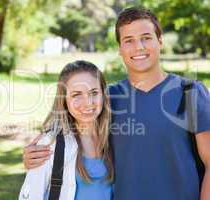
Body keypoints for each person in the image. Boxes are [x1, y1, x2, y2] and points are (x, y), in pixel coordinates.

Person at [22, 7, 210, 200]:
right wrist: (37, 155)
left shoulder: (190, 93)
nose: (139, 47)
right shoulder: (107, 99)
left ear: (160, 41)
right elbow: (69, 131)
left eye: (146, 37)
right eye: (129, 40)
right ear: (120, 49)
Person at [19, 60, 114, 200]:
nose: (88, 103)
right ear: (64, 99)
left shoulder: (113, 137)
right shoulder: (50, 143)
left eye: (94, 92)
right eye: (76, 95)